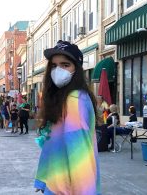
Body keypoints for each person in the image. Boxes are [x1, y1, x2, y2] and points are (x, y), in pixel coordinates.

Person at [34, 41, 100, 194]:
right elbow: (54, 145)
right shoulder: (64, 98)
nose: (58, 70)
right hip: (58, 185)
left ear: (76, 69)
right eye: (54, 65)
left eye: (65, 64)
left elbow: (79, 154)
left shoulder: (74, 99)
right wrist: (44, 179)